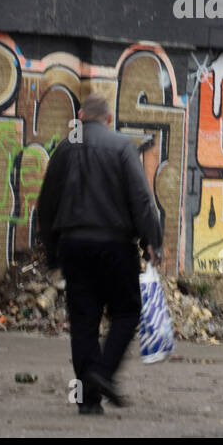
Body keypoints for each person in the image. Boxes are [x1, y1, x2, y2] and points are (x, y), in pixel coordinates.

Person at [36, 93, 163, 415]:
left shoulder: (65, 149)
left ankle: (88, 401)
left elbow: (46, 205)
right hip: (114, 245)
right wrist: (152, 240)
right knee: (126, 312)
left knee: (83, 323)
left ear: (80, 116)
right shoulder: (121, 146)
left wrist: (53, 254)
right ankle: (103, 374)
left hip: (74, 246)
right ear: (108, 118)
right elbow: (141, 199)